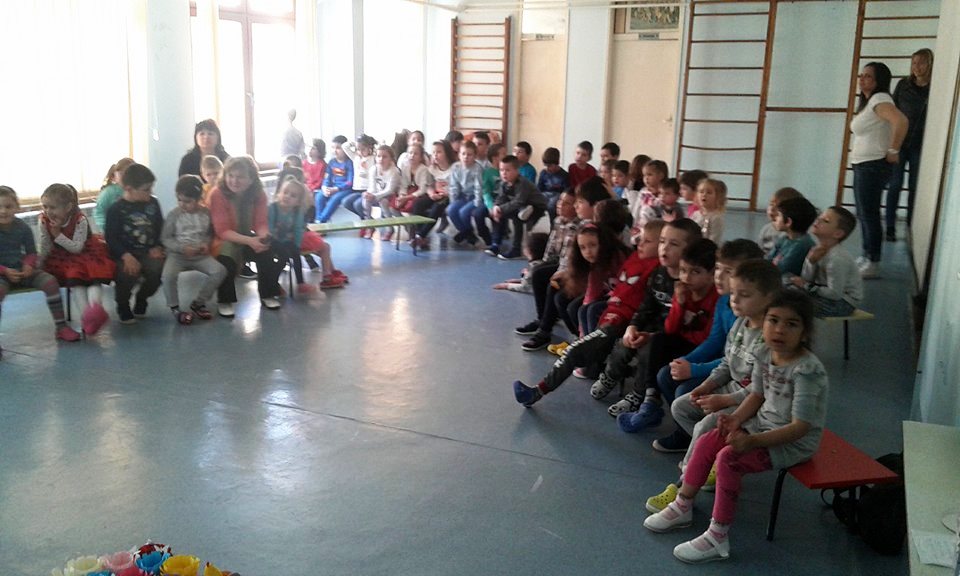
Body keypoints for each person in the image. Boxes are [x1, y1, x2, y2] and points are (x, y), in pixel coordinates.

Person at [644, 289, 827, 565]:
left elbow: (800, 428)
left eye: (791, 324)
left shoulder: (806, 371)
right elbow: (757, 395)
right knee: (709, 438)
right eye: (773, 320)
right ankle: (683, 504)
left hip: (792, 443)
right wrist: (735, 420)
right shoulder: (764, 352)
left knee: (729, 459)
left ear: (805, 332)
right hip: (762, 425)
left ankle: (718, 536)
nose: (779, 329)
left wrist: (751, 441)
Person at [645, 258, 781, 514]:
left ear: (768, 298)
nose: (734, 300)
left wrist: (724, 401)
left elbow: (762, 390)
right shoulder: (740, 323)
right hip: (733, 390)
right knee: (681, 406)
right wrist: (706, 386)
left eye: (744, 295)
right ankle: (707, 461)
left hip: (755, 404)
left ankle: (684, 487)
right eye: (734, 293)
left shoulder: (770, 337)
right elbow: (727, 364)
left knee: (706, 425)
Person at [511, 220, 663, 404]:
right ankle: (588, 365)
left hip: (622, 321)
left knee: (575, 349)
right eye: (641, 239)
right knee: (579, 318)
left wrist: (632, 325)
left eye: (647, 241)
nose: (639, 243)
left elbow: (645, 305)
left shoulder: (656, 269)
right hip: (611, 316)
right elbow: (596, 294)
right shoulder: (635, 258)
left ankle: (538, 391)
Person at [650, 239, 766, 456]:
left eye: (728, 271)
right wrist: (687, 361)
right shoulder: (724, 301)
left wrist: (694, 370)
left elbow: (735, 360)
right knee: (666, 374)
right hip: (725, 368)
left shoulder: (749, 313)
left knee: (685, 391)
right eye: (718, 268)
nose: (719, 276)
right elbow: (714, 340)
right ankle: (689, 435)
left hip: (737, 378)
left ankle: (704, 442)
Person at [592, 219, 704, 416]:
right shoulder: (658, 273)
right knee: (624, 341)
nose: (664, 248)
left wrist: (651, 335)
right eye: (662, 241)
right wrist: (633, 326)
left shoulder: (691, 283)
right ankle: (610, 375)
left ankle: (639, 393)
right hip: (651, 327)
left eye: (673, 244)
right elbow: (647, 305)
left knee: (648, 350)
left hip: (669, 337)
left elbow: (683, 326)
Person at [615, 238, 720, 433]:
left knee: (666, 359)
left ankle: (683, 427)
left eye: (695, 272)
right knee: (658, 340)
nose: (686, 277)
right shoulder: (684, 291)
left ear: (712, 274)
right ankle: (651, 401)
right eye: (683, 270)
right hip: (685, 343)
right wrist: (679, 303)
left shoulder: (716, 298)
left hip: (703, 351)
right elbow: (670, 329)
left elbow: (708, 338)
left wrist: (686, 357)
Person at [515, 178, 610, 351]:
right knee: (539, 273)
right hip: (572, 267)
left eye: (578, 202)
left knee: (556, 286)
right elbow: (554, 253)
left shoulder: (587, 226)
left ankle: (546, 330)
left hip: (586, 274)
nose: (574, 206)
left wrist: (565, 273)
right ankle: (543, 321)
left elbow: (577, 259)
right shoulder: (562, 221)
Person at [0, 185, 81, 355]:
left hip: (23, 270)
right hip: (2, 274)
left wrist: (29, 265)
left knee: (50, 282)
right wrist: (5, 271)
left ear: (16, 207)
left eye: (8, 206)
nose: (3, 211)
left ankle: (61, 327)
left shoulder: (22, 227)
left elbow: (31, 252)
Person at [850, 62, 908, 279]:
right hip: (864, 164)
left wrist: (894, 149)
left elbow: (901, 121)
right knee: (864, 213)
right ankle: (867, 254)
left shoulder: (880, 99)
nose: (862, 79)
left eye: (868, 76)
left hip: (873, 165)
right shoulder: (869, 102)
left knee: (870, 214)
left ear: (879, 81)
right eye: (861, 75)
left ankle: (873, 261)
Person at [209, 155, 286, 315]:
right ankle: (225, 300)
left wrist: (263, 237)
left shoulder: (258, 194)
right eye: (230, 175)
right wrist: (251, 241)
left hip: (246, 236)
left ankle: (268, 294)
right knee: (226, 261)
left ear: (251, 179)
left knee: (266, 252)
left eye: (240, 177)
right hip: (223, 240)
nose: (234, 181)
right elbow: (222, 231)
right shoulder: (217, 194)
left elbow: (260, 223)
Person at [38, 183, 115, 335]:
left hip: (85, 252)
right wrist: (39, 263)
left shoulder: (80, 220)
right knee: (76, 282)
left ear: (68, 207)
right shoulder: (43, 220)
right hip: (61, 257)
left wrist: (57, 234)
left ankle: (96, 309)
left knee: (93, 278)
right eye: (45, 207)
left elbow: (77, 248)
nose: (48, 211)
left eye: (53, 207)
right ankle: (86, 317)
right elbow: (45, 244)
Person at [160, 175, 228, 324]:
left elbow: (209, 234)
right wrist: (181, 248)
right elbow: (165, 238)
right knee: (168, 276)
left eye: (187, 201)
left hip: (199, 255)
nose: (182, 204)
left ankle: (199, 303)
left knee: (219, 271)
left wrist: (205, 244)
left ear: (198, 199)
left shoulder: (206, 213)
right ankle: (175, 308)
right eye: (179, 200)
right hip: (177, 255)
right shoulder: (174, 215)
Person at [104, 163, 165, 324]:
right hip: (125, 254)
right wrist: (126, 256)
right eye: (146, 189)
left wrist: (158, 246)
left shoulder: (153, 204)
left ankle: (142, 297)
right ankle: (123, 304)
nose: (150, 192)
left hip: (147, 252)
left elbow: (160, 228)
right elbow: (111, 238)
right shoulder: (115, 209)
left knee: (157, 270)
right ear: (129, 188)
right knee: (126, 274)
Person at [886, 48, 933, 241]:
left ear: (930, 64)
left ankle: (911, 226)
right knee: (895, 184)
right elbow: (893, 111)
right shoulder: (903, 85)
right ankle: (890, 226)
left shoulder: (935, 87)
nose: (916, 67)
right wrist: (891, 142)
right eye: (914, 62)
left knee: (915, 187)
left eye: (921, 62)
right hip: (900, 142)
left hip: (921, 145)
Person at [790, 206, 863, 318]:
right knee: (786, 291)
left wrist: (807, 286)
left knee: (793, 304)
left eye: (825, 220)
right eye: (820, 217)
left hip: (844, 303)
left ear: (838, 233)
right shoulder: (817, 250)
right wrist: (810, 261)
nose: (818, 220)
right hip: (824, 295)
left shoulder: (837, 258)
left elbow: (835, 294)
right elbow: (807, 279)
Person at [484, 155, 547, 260]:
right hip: (521, 205)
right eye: (501, 170)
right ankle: (496, 244)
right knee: (499, 213)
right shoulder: (503, 183)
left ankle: (516, 249)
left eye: (507, 170)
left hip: (536, 206)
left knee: (517, 217)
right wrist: (496, 207)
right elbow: (501, 197)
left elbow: (518, 201)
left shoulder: (522, 183)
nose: (504, 173)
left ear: (517, 170)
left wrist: (501, 208)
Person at [268, 176, 317, 296]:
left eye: (293, 196)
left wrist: (297, 245)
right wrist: (275, 241)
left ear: (298, 202)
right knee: (283, 256)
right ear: (279, 193)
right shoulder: (272, 208)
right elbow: (269, 227)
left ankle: (301, 283)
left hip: (285, 240)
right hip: (271, 240)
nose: (287, 196)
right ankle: (272, 283)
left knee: (295, 253)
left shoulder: (297, 212)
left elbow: (298, 229)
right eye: (285, 192)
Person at [410, 140, 456, 246]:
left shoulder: (454, 168)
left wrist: (446, 193)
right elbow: (429, 185)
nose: (435, 155)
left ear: (447, 153)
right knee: (417, 203)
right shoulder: (432, 169)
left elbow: (458, 188)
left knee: (437, 207)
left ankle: (421, 235)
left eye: (439, 152)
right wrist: (431, 194)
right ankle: (420, 234)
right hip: (437, 195)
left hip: (450, 196)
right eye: (433, 152)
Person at [768, 196, 817, 281]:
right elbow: (768, 259)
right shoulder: (784, 238)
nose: (775, 218)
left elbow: (782, 269)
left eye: (778, 215)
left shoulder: (802, 245)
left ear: (788, 222)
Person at [446, 140, 484, 246]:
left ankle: (466, 235)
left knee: (464, 212)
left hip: (474, 196)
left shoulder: (477, 168)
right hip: (462, 196)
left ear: (475, 156)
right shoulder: (456, 167)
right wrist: (453, 201)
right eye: (463, 154)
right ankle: (468, 233)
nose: (466, 157)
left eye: (469, 154)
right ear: (459, 155)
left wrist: (477, 202)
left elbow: (479, 187)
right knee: (450, 210)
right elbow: (453, 186)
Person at [362, 145, 402, 241]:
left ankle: (390, 229)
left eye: (384, 157)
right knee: (365, 198)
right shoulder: (373, 169)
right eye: (378, 156)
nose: (381, 159)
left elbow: (390, 190)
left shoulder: (394, 171)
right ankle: (369, 225)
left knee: (383, 201)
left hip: (392, 195)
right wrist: (369, 194)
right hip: (378, 194)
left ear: (391, 159)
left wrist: (375, 196)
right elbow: (372, 187)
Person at [314, 135, 354, 223]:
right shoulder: (332, 162)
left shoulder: (349, 163)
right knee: (319, 196)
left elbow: (349, 182)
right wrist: (325, 187)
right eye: (333, 147)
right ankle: (318, 220)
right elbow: (327, 177)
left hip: (345, 190)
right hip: (332, 188)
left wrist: (336, 189)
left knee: (334, 199)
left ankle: (321, 221)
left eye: (338, 148)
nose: (335, 150)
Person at [341, 135, 378, 228]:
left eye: (363, 149)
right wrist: (355, 142)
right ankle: (367, 221)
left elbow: (375, 175)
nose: (360, 152)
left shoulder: (374, 158)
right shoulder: (356, 157)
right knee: (346, 202)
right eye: (358, 149)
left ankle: (368, 225)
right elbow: (344, 146)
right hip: (358, 189)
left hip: (369, 190)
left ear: (369, 147)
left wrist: (366, 173)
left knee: (358, 204)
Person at [627, 159, 668, 240]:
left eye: (650, 175)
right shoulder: (643, 192)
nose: (646, 178)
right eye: (644, 175)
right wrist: (633, 226)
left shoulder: (665, 194)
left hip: (657, 230)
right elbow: (636, 210)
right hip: (641, 228)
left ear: (661, 176)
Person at [757, 187, 802, 258]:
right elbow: (759, 249)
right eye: (771, 204)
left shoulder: (791, 234)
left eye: (778, 207)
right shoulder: (766, 228)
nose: (772, 209)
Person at [476, 143, 507, 247]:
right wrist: (490, 206)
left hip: (503, 201)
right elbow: (486, 192)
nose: (506, 156)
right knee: (477, 214)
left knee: (499, 216)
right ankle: (487, 239)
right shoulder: (488, 173)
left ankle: (496, 242)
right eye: (503, 154)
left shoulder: (507, 171)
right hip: (490, 201)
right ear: (495, 158)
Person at [93, 157, 136, 232]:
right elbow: (99, 212)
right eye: (122, 174)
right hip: (112, 230)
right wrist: (105, 227)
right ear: (114, 176)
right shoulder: (108, 193)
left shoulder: (137, 190)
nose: (126, 177)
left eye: (130, 174)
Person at [692, 178, 728, 245]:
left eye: (709, 192)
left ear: (718, 197)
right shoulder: (695, 214)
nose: (704, 195)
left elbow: (714, 239)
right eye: (701, 192)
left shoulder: (716, 218)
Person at [537, 147, 569, 220]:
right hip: (545, 194)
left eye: (550, 166)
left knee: (552, 204)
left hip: (557, 196)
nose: (547, 168)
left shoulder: (564, 175)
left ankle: (553, 224)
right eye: (545, 165)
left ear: (557, 163)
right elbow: (539, 189)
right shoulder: (543, 173)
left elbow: (565, 192)